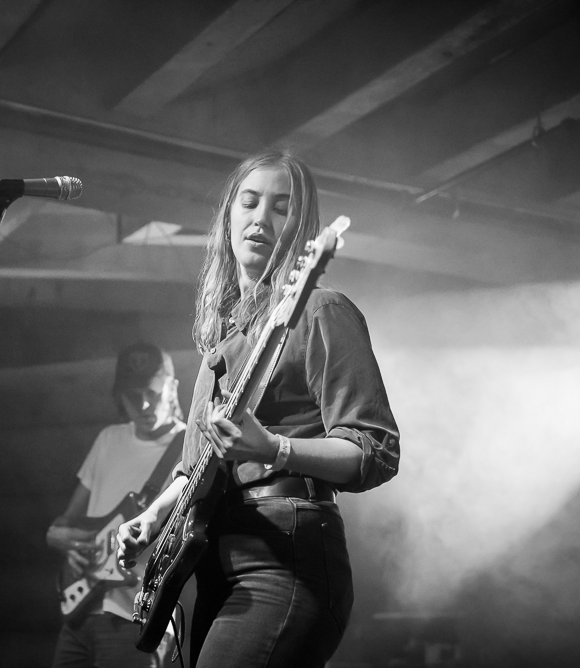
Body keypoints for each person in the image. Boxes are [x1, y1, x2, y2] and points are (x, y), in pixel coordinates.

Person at [116, 151, 401, 668]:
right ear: (228, 217)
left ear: (301, 227)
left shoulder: (321, 310)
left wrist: (274, 448)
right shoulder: (219, 344)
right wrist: (153, 516)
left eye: (280, 207)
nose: (260, 218)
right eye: (249, 203)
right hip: (216, 566)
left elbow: (375, 450)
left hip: (286, 559)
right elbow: (196, 467)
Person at [47, 342, 186, 668]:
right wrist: (61, 539)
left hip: (138, 616)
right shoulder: (109, 439)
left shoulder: (187, 448)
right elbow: (64, 523)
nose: (143, 404)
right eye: (132, 395)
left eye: (152, 392)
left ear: (172, 387)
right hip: (81, 611)